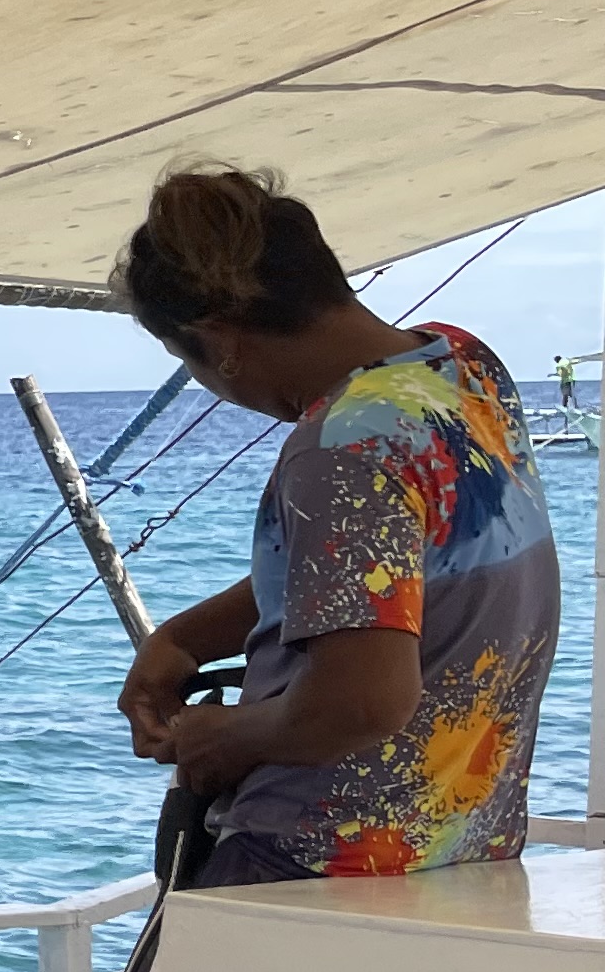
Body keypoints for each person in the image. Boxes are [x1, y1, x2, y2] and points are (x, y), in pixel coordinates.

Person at [107, 164, 560, 883]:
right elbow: (388, 572)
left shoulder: (341, 447)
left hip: (313, 864)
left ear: (219, 340)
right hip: (465, 850)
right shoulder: (465, 367)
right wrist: (184, 640)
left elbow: (361, 704)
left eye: (186, 360)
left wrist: (224, 734)